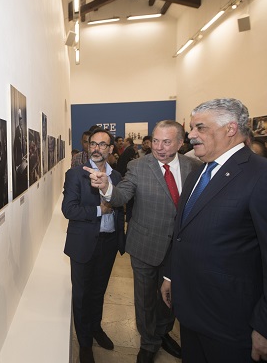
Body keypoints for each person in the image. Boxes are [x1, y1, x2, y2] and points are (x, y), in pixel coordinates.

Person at [159, 98, 267, 362]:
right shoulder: (197, 173)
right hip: (192, 313)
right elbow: (182, 232)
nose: (191, 135)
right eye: (192, 128)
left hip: (234, 324)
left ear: (230, 129)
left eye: (199, 128)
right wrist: (171, 275)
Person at [85, 120, 201, 363]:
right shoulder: (138, 166)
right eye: (156, 140)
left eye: (167, 142)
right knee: (146, 299)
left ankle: (163, 333)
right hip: (144, 245)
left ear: (181, 143)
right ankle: (148, 343)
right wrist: (107, 188)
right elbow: (121, 195)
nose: (159, 147)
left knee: (170, 298)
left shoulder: (195, 166)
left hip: (179, 249)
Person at [62, 128, 126, 363]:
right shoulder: (75, 174)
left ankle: (96, 328)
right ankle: (85, 342)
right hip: (83, 244)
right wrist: (101, 210)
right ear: (88, 146)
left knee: (99, 292)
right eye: (93, 143)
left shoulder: (117, 177)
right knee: (81, 295)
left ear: (110, 149)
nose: (96, 148)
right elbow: (68, 209)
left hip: (108, 243)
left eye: (102, 144)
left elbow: (122, 206)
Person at [12, 109, 27, 196]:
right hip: (19, 157)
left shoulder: (21, 129)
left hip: (22, 156)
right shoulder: (18, 129)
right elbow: (16, 145)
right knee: (19, 174)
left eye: (22, 120)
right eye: (21, 120)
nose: (22, 122)